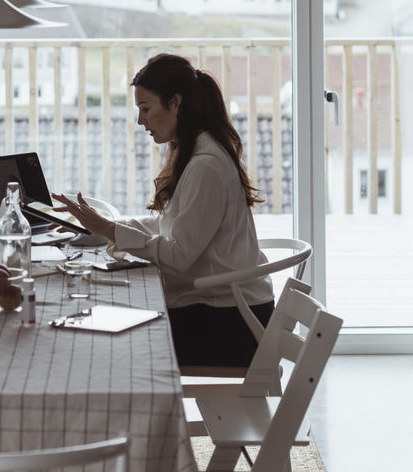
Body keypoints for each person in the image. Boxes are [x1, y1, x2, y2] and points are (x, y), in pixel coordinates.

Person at [54, 52, 274, 367]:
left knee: (107, 344)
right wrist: (106, 225)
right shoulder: (195, 150)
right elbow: (169, 226)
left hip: (230, 322)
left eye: (145, 109)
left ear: (175, 103)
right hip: (221, 309)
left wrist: (109, 230)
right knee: (100, 321)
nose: (140, 120)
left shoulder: (206, 166)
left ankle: (138, 415)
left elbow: (178, 257)